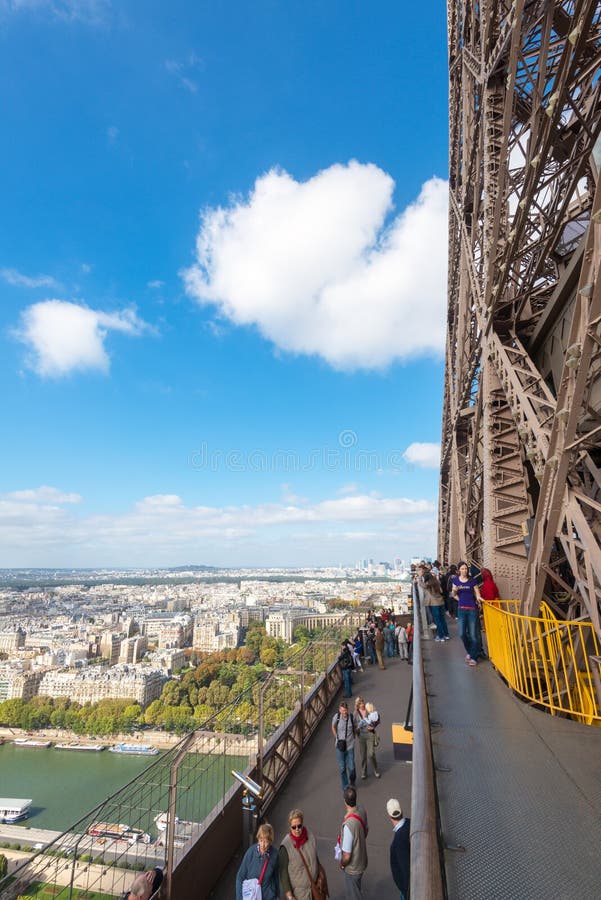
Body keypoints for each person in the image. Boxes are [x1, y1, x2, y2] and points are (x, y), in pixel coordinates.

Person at [279, 808, 327, 900]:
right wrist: (289, 896)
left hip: (315, 887)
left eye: (299, 826)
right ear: (290, 827)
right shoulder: (285, 846)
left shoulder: (310, 835)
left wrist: (320, 875)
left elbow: (315, 858)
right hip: (300, 894)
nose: (297, 829)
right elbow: (283, 873)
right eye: (294, 827)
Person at [236, 822, 279, 900]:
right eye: (261, 840)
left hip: (268, 896)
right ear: (258, 839)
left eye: (266, 841)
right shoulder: (250, 853)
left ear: (270, 841)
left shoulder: (275, 854)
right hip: (253, 896)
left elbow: (276, 877)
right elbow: (240, 877)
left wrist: (277, 896)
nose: (262, 845)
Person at [338, 785, 368, 898]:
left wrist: (341, 864)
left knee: (353, 896)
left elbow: (346, 856)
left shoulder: (349, 825)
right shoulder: (362, 810)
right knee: (357, 890)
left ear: (345, 801)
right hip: (362, 860)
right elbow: (366, 831)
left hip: (353, 868)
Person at [451, 561, 483, 666]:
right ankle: (470, 651)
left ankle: (473, 657)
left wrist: (479, 598)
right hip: (461, 610)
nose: (464, 570)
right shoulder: (455, 581)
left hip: (472, 609)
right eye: (462, 569)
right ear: (459, 570)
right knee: (462, 634)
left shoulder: (472, 580)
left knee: (473, 635)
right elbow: (453, 594)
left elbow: (477, 593)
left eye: (466, 569)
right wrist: (457, 594)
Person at [387, 799, 410, 900]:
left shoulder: (398, 841)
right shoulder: (410, 822)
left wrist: (405, 890)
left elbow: (405, 868)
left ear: (389, 816)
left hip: (406, 888)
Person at [332, 700, 357, 790]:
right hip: (340, 747)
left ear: (347, 710)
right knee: (342, 768)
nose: (344, 712)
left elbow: (355, 725)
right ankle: (345, 786)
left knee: (351, 767)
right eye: (342, 710)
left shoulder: (351, 717)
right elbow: (333, 727)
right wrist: (337, 738)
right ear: (339, 710)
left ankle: (352, 781)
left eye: (345, 710)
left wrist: (354, 735)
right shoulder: (336, 717)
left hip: (350, 746)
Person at [356, 699, 380, 780]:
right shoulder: (355, 713)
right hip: (361, 736)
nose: (362, 704)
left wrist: (373, 727)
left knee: (371, 753)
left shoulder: (368, 708)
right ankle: (364, 771)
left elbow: (377, 719)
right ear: (357, 705)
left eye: (362, 702)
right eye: (360, 703)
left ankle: (376, 769)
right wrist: (357, 731)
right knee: (363, 755)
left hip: (370, 734)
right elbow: (354, 724)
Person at [423, 570, 450, 642]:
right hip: (441, 602)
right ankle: (446, 635)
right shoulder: (437, 582)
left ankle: (441, 637)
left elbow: (422, 585)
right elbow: (441, 591)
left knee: (437, 620)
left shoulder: (428, 584)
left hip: (434, 604)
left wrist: (419, 579)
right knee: (442, 619)